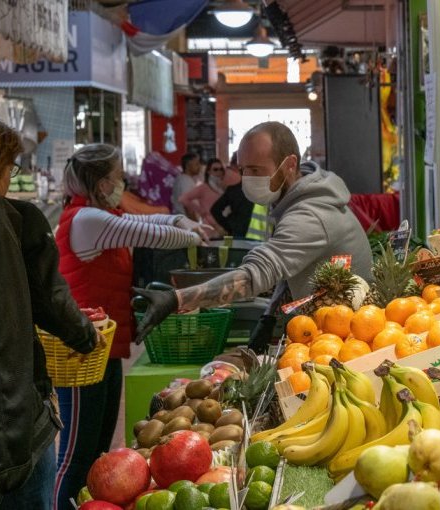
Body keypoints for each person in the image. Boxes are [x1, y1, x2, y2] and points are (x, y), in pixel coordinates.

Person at [53, 144, 211, 510]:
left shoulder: (101, 213)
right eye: (118, 176)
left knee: (97, 452)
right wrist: (191, 233)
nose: (122, 182)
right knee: (76, 456)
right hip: (79, 351)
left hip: (102, 346)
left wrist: (178, 220)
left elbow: (148, 223)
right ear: (100, 180)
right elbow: (144, 233)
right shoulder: (85, 220)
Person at [134, 121, 373, 344]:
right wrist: (268, 319)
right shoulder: (291, 199)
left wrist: (177, 299)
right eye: (244, 169)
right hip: (323, 328)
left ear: (290, 165)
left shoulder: (310, 216)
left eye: (256, 170)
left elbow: (257, 274)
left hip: (347, 337)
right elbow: (287, 269)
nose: (247, 178)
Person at [0, 116, 96, 510]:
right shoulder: (16, 220)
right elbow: (53, 304)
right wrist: (87, 334)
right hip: (12, 429)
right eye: (11, 167)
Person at [179, 158, 227, 232]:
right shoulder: (203, 188)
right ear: (208, 171)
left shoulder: (224, 187)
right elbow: (183, 199)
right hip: (209, 227)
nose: (219, 172)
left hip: (224, 226)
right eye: (215, 169)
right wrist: (201, 211)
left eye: (221, 169)